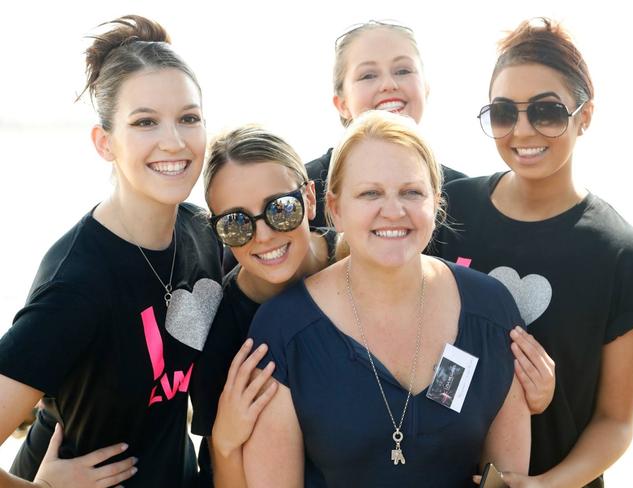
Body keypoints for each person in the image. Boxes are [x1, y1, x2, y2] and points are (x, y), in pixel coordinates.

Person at [244, 110, 531, 487]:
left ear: (436, 203)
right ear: (335, 209)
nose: (394, 211)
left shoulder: (490, 309)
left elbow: (508, 478)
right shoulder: (284, 330)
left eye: (411, 192)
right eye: (370, 193)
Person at [0, 15, 222, 488]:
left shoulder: (204, 233)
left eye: (189, 118)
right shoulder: (78, 282)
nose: (175, 141)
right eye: (145, 122)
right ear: (105, 143)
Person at [433, 18, 633, 488]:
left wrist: (547, 485)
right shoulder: (450, 211)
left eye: (548, 112)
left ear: (585, 116)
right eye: (503, 112)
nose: (522, 130)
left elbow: (616, 420)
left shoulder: (623, 256)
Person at [189, 126, 337, 487]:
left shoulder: (358, 263)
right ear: (217, 231)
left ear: (310, 198)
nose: (265, 235)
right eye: (237, 223)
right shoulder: (218, 332)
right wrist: (224, 442)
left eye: (281, 209)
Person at [306, 20, 468, 229]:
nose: (389, 85)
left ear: (426, 89)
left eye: (403, 71)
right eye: (368, 75)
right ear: (342, 104)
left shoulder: (462, 194)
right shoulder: (305, 191)